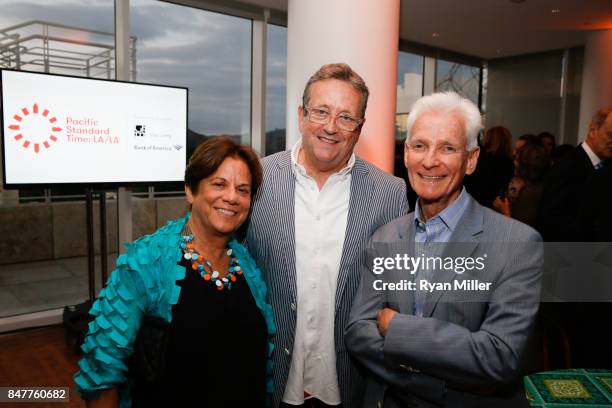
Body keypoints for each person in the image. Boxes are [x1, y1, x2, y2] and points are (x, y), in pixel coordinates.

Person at [345, 92, 543, 408]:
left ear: (472, 159)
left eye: (448, 148)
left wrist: (398, 329)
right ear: (406, 153)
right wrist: (436, 382)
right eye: (420, 146)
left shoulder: (518, 244)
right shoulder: (385, 237)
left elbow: (498, 357)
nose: (430, 161)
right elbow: (358, 332)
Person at [246, 63, 408, 408]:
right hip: (270, 375)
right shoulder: (257, 178)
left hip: (349, 380)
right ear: (302, 115)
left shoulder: (389, 192)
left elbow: (395, 291)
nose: (331, 127)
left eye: (346, 117)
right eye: (321, 111)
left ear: (360, 127)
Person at [74, 137, 275, 408]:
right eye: (219, 184)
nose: (232, 197)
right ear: (191, 191)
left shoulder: (246, 263)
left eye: (243, 189)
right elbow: (102, 369)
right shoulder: (146, 261)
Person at [538, 108, 612, 242]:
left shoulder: (605, 168)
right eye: (610, 135)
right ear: (593, 130)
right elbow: (554, 221)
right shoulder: (568, 167)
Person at [493, 143, 550, 230]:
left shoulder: (530, 193)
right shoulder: (532, 185)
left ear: (525, 165)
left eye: (517, 159)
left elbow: (521, 233)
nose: (514, 162)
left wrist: (505, 212)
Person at [464, 126, 514, 208]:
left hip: (471, 201)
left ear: (488, 138)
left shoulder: (478, 156)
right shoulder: (509, 163)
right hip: (493, 205)